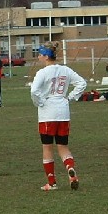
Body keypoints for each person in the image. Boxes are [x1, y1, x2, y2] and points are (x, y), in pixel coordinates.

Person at [30, 41, 87, 191]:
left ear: (46, 57)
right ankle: (70, 169)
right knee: (63, 146)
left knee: (47, 147)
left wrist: (41, 102)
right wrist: (71, 97)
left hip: (47, 114)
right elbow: (82, 83)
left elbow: (34, 91)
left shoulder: (42, 73)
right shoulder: (66, 70)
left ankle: (52, 182)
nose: (39, 57)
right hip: (63, 112)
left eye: (40, 55)